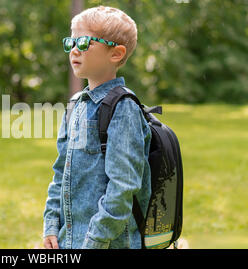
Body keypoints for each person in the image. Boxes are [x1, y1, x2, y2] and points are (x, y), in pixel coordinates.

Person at [43, 5, 152, 249]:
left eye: (83, 42)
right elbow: (61, 171)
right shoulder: (75, 105)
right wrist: (51, 225)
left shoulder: (123, 108)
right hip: (70, 241)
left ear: (116, 54)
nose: (74, 49)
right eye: (70, 42)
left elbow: (122, 188)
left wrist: (95, 240)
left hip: (110, 243)